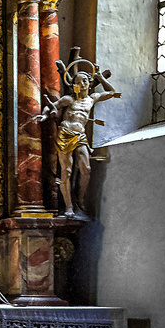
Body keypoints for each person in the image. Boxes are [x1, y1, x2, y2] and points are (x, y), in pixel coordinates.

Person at [37, 53, 121, 215]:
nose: (81, 84)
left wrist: (100, 77)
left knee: (86, 169)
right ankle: (69, 207)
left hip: (80, 136)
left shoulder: (92, 99)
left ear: (89, 84)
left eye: (84, 81)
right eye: (77, 82)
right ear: (74, 85)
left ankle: (80, 199)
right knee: (66, 171)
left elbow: (111, 92)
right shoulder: (69, 99)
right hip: (65, 135)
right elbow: (53, 106)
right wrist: (45, 115)